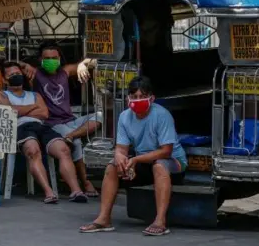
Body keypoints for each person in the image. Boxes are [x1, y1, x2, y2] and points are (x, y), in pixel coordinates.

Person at [79, 76, 187, 236]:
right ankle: (103, 219)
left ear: (152, 98)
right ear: (128, 98)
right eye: (134, 96)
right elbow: (121, 148)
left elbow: (166, 151)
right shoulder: (124, 116)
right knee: (112, 167)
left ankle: (160, 221)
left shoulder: (162, 115)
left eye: (142, 96)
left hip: (173, 163)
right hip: (144, 162)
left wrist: (134, 160)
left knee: (159, 165)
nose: (138, 100)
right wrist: (120, 158)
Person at [0, 61, 88, 204]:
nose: (16, 76)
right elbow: (9, 113)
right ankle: (49, 192)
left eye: (18, 73)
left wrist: (19, 110)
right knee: (33, 150)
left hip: (41, 127)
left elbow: (44, 113)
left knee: (63, 150)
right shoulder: (1, 95)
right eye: (12, 75)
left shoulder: (35, 95)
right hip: (20, 129)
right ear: (4, 79)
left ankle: (76, 191)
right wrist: (33, 108)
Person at [19, 42, 100, 197]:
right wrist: (24, 65)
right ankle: (86, 183)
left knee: (100, 117)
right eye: (47, 58)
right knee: (75, 143)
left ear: (59, 58)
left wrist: (83, 64)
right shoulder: (36, 75)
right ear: (41, 59)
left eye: (54, 58)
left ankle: (72, 135)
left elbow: (94, 60)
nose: (51, 61)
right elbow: (10, 63)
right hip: (53, 124)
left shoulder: (64, 72)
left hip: (70, 120)